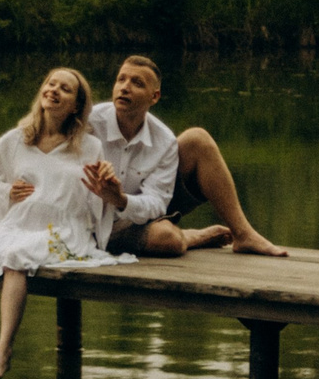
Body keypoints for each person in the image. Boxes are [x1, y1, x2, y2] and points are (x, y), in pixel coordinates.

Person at [0, 67, 130, 379]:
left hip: (63, 228)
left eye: (64, 89)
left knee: (15, 260)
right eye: (50, 84)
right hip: (19, 221)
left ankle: (3, 351)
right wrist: (7, 192)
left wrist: (107, 186)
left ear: (76, 106)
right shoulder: (14, 140)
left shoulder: (89, 147)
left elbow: (97, 200)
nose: (53, 90)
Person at [84, 54, 287, 259]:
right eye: (121, 79)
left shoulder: (164, 140)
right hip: (86, 226)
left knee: (197, 139)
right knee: (170, 240)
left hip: (131, 220)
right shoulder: (87, 122)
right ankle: (193, 236)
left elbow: (157, 202)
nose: (125, 87)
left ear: (154, 97)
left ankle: (244, 235)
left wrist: (121, 200)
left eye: (137, 83)